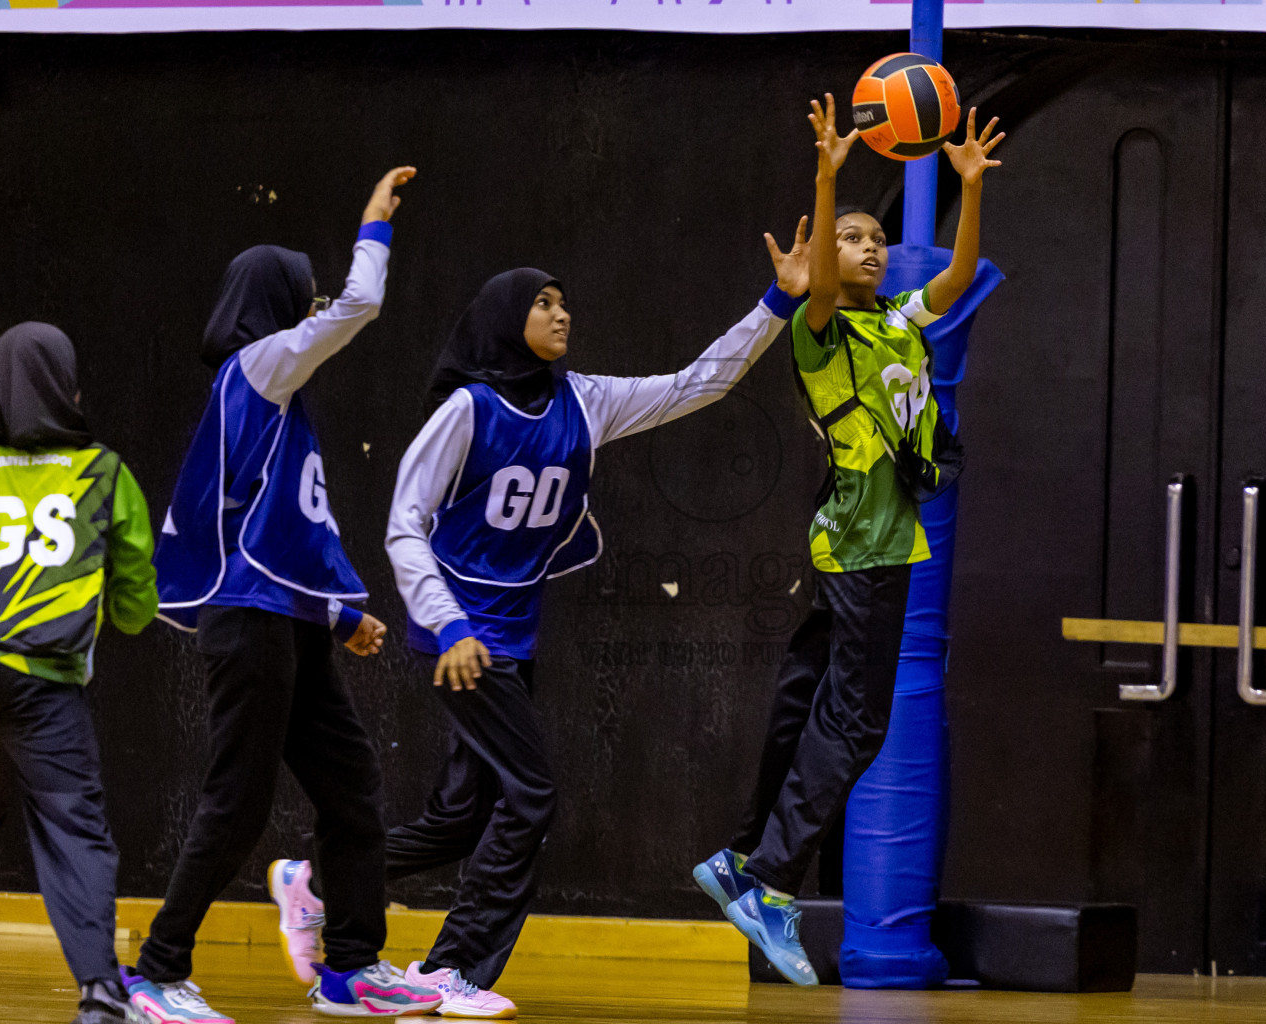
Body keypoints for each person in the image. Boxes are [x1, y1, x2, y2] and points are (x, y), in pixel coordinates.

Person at [263, 226, 810, 1018]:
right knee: (533, 793)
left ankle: (318, 882)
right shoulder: (466, 410)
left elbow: (700, 383)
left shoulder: (584, 401)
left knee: (461, 818)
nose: (560, 314)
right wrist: (449, 626)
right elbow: (403, 525)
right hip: (461, 635)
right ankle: (456, 971)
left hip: (511, 632)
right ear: (503, 318)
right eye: (542, 303)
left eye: (563, 302)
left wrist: (777, 303)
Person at [691, 95, 1005, 986]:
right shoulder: (818, 327)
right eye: (851, 238)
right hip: (864, 546)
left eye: (875, 238)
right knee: (859, 723)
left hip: (869, 544)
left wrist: (969, 187)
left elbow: (957, 277)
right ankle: (769, 885)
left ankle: (741, 855)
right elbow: (818, 283)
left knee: (807, 703)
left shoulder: (899, 318)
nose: (867, 247)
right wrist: (828, 180)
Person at [122, 167, 442, 1022]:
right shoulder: (254, 370)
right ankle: (155, 971)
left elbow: (277, 533)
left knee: (351, 785)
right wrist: (373, 228)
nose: (314, 314)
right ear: (276, 305)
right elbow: (359, 310)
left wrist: (339, 613)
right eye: (304, 300)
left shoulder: (273, 403)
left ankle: (350, 971)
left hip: (288, 619)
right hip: (251, 626)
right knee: (238, 800)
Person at [0, 322, 159, 1024]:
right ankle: (101, 992)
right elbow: (137, 608)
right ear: (65, 388)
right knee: (74, 829)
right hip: (39, 681)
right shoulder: (102, 472)